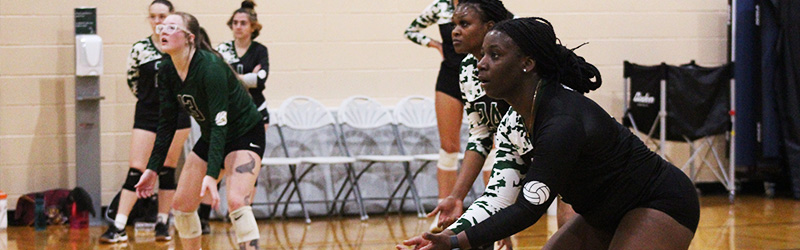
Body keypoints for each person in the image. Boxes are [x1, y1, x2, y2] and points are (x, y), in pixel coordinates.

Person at [399, 17, 700, 250]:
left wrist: (454, 242)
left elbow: (528, 209)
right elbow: (499, 196)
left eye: (494, 55)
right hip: (602, 211)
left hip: (657, 201)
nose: (481, 64)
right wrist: (451, 235)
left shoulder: (561, 120)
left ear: (527, 64)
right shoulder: (514, 122)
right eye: (482, 55)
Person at [133, 12, 266, 250]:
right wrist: (153, 169)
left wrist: (211, 174)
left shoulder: (210, 67)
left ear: (189, 38)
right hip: (213, 135)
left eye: (172, 27)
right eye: (162, 27)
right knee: (182, 206)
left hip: (244, 133)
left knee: (236, 201)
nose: (163, 31)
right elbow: (166, 124)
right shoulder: (166, 70)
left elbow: (220, 122)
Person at [100, 0, 191, 243]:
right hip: (148, 114)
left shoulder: (182, 46)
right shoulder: (140, 48)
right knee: (136, 169)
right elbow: (133, 80)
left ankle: (162, 221)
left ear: (172, 17)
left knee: (167, 169)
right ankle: (118, 225)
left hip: (177, 115)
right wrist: (151, 100)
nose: (158, 21)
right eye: (153, 16)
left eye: (163, 16)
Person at [195, 0, 270, 234]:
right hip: (230, 112)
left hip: (257, 112)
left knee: (248, 164)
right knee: (217, 162)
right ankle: (204, 216)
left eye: (243, 23)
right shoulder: (223, 49)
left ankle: (244, 211)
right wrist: (247, 76)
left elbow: (261, 80)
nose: (238, 27)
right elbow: (224, 77)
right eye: (235, 23)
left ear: (252, 27)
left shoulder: (260, 50)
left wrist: (238, 77)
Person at [403, 1, 471, 232]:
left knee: (491, 145)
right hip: (449, 76)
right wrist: (434, 44)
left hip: (479, 76)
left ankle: (492, 213)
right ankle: (444, 215)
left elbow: (514, 25)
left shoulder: (483, 5)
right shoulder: (440, 6)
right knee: (449, 146)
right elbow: (410, 30)